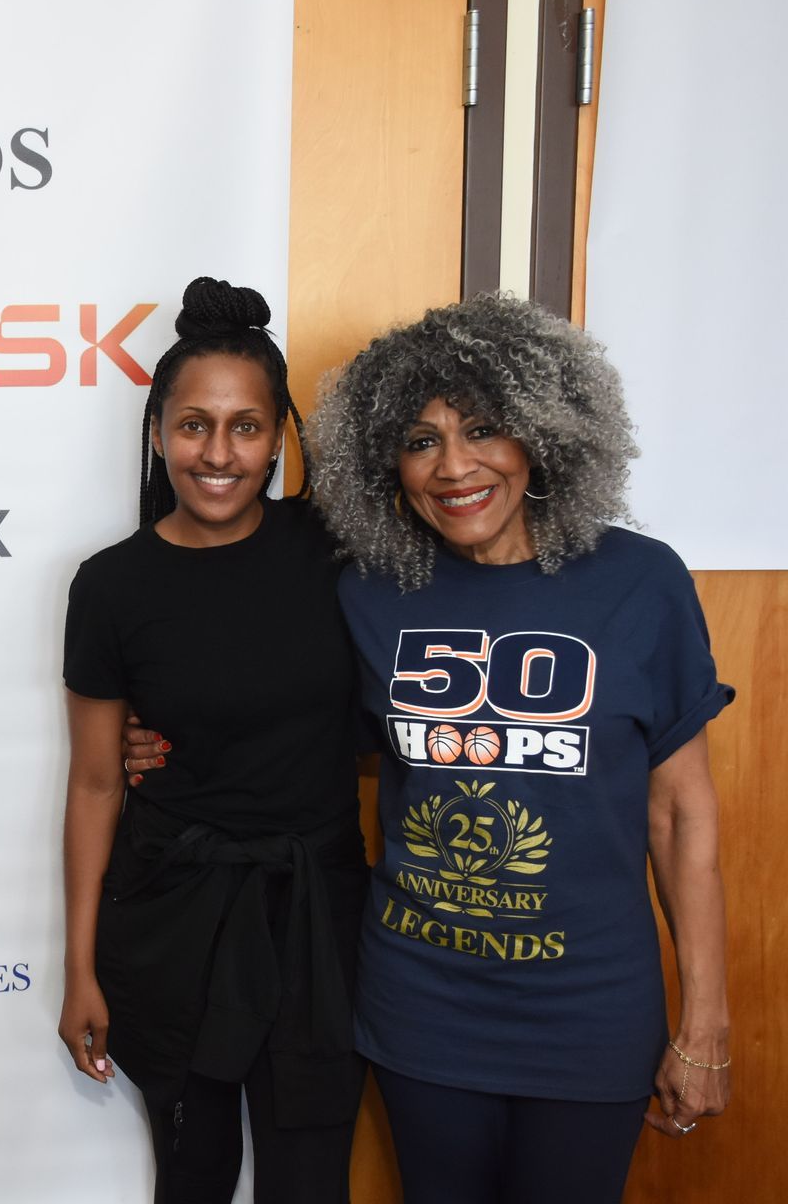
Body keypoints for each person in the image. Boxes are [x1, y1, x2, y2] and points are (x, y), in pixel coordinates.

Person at [308, 293, 733, 1203]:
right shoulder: (369, 594)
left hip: (590, 1012)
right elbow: (293, 732)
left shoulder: (640, 582)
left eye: (483, 429)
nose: (454, 466)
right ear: (385, 460)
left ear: (542, 434)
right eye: (420, 440)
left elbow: (679, 813)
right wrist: (153, 740)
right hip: (422, 1007)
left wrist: (706, 1022)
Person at [58, 277, 367, 1203]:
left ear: (280, 439)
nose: (220, 453)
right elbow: (94, 785)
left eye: (247, 427)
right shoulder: (111, 586)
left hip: (317, 922)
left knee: (309, 1184)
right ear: (158, 433)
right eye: (195, 425)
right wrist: (78, 968)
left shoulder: (340, 553)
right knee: (191, 1178)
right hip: (171, 925)